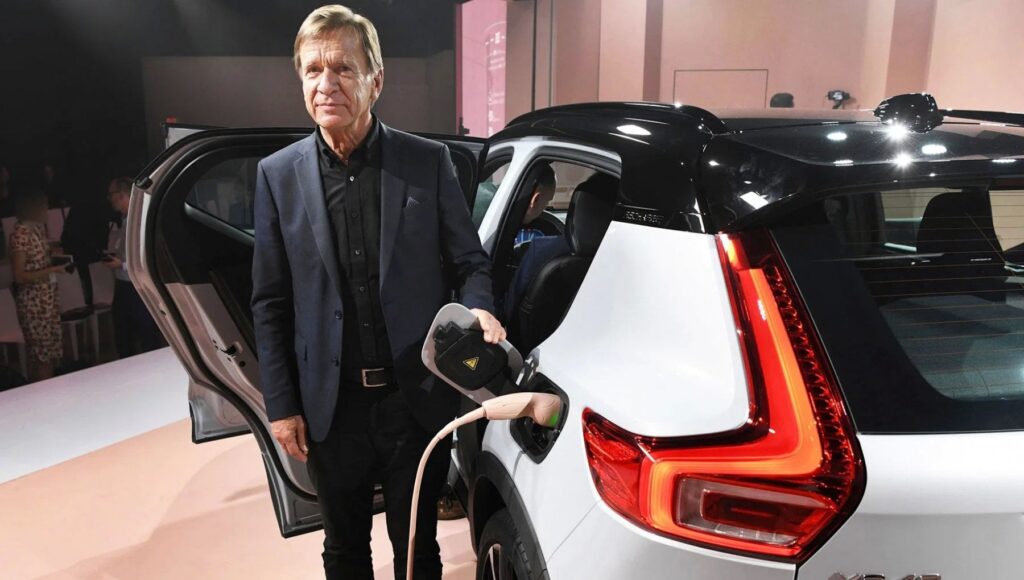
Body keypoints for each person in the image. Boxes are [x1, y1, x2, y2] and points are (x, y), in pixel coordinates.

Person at [250, 6, 504, 579]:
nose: (326, 84)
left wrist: (480, 307)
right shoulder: (277, 175)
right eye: (313, 70)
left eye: (343, 68)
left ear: (376, 80)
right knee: (343, 551)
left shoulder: (427, 163)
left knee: (417, 549)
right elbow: (270, 302)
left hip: (415, 400)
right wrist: (282, 406)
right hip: (330, 408)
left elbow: (470, 262)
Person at [103, 177, 165, 357]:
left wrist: (121, 264)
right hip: (123, 284)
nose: (109, 199)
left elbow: (147, 257)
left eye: (111, 195)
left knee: (146, 333)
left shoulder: (140, 219)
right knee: (123, 334)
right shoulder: (124, 219)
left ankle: (152, 366)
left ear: (122, 195)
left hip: (137, 285)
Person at [9, 187, 66, 381]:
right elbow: (19, 275)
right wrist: (51, 270)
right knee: (42, 356)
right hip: (34, 302)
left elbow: (38, 261)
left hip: (47, 299)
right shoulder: (21, 233)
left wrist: (54, 257)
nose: (47, 209)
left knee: (48, 354)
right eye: (44, 205)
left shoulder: (37, 229)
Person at [513, 163, 556, 248]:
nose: (545, 208)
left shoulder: (495, 225)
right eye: (547, 201)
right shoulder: (550, 231)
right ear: (535, 199)